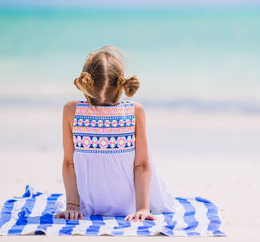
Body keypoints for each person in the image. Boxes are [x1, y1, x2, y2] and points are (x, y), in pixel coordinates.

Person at [54, 46, 175, 222]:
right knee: (143, 152)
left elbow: (69, 163)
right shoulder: (135, 110)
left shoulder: (71, 110)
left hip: (88, 205)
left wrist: (73, 206)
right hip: (131, 205)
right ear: (120, 85)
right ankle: (143, 205)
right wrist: (142, 208)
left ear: (86, 84)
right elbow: (141, 165)